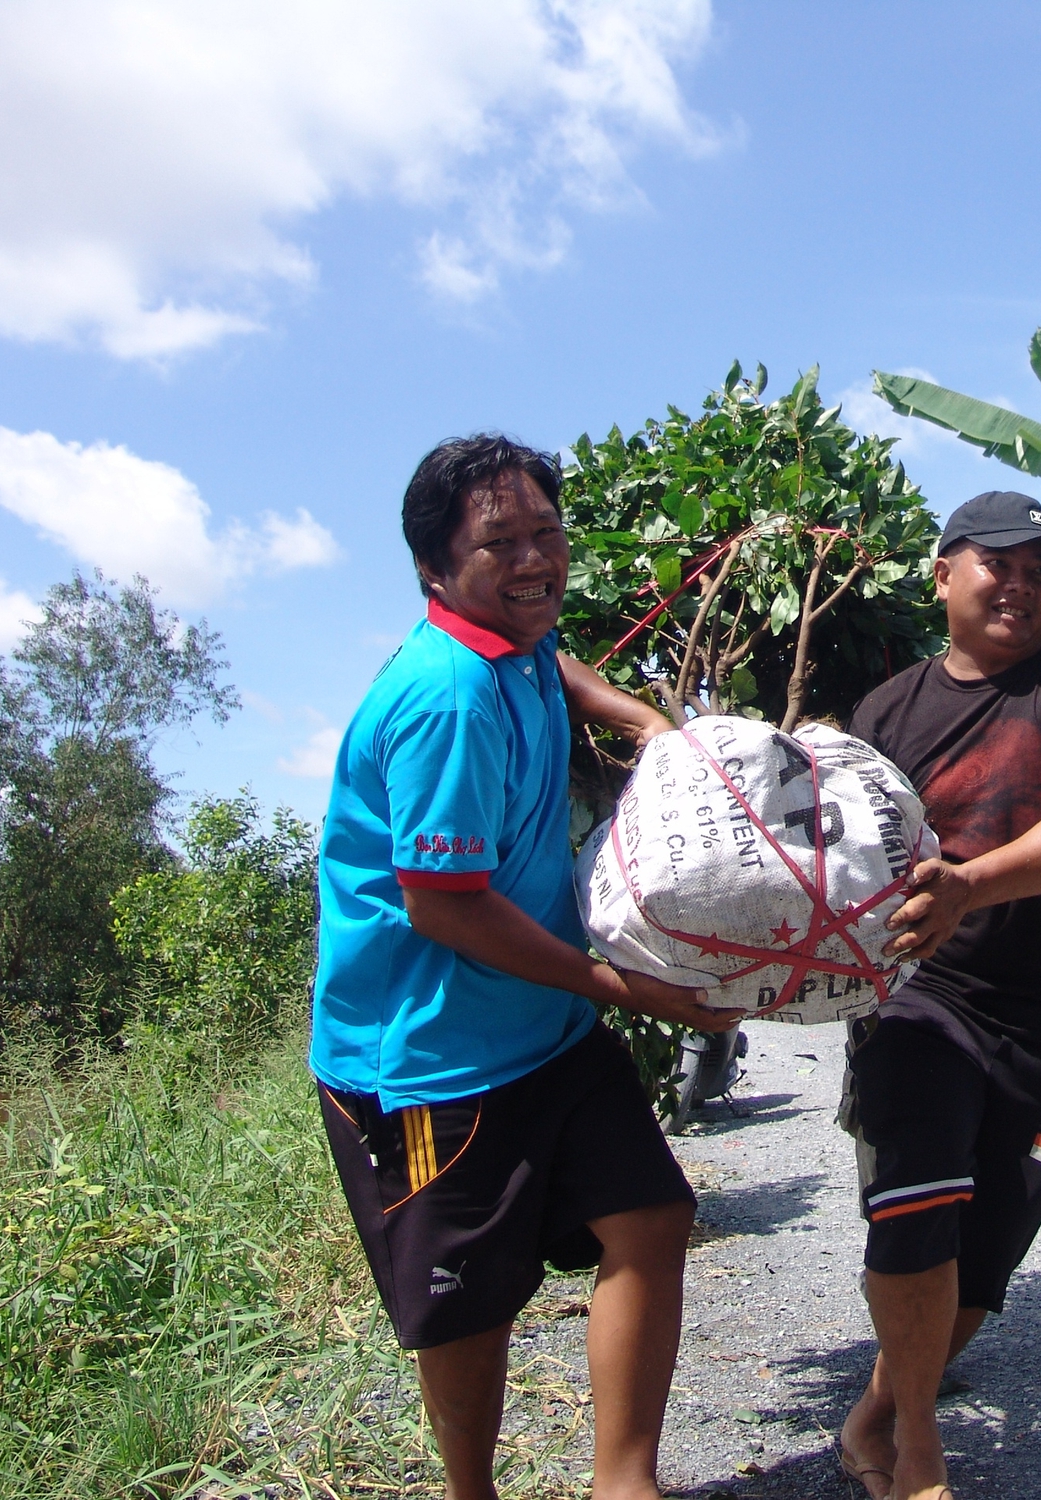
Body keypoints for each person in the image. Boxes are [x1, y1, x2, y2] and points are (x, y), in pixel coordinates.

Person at [311, 434, 741, 1500]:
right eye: (498, 543)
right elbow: (444, 907)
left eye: (545, 532)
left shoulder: (516, 649)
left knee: (649, 1218)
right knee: (470, 1299)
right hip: (429, 1056)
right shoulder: (447, 697)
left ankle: (622, 1484)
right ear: (434, 568)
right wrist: (627, 990)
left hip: (543, 1028)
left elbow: (563, 669)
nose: (534, 559)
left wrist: (650, 725)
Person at [836, 492, 1041, 1500]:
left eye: (1039, 571)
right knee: (913, 1212)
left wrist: (971, 881)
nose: (1019, 585)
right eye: (996, 563)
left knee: (981, 1267)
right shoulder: (883, 714)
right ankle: (920, 1450)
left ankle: (878, 1411)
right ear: (942, 576)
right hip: (914, 997)